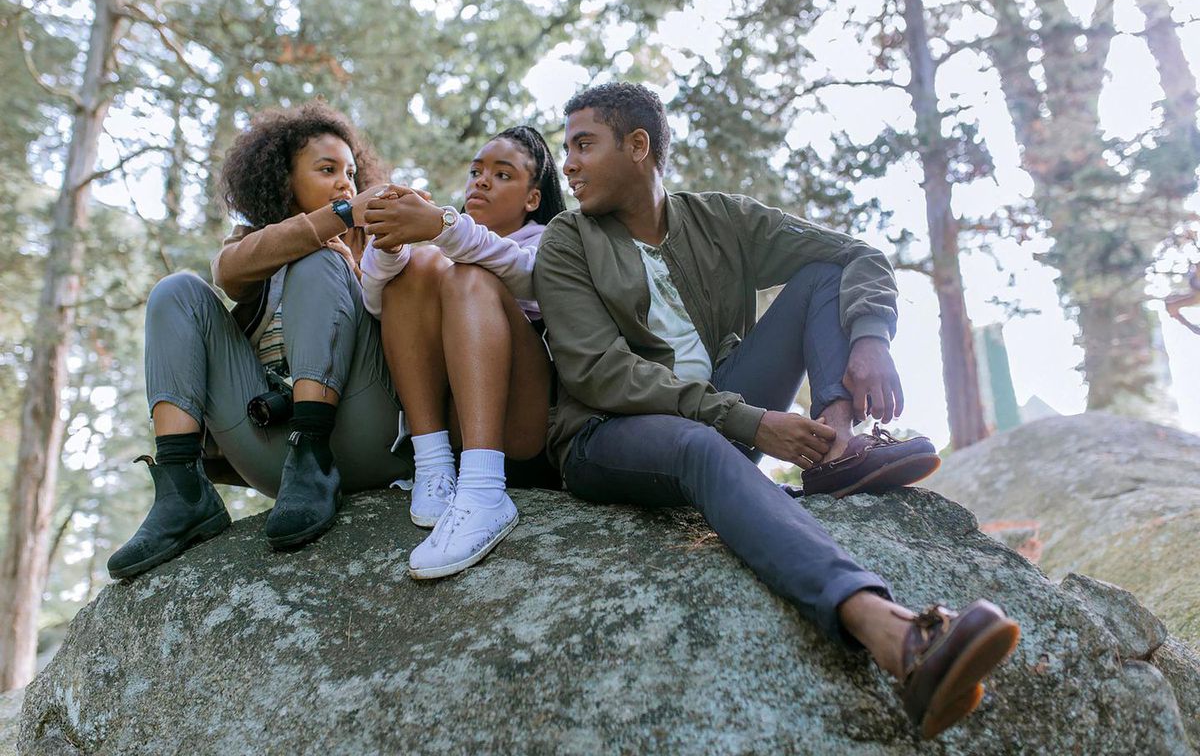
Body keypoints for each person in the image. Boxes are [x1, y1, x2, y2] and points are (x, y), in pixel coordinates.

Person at [532, 82, 1020, 739]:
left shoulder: (719, 221)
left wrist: (871, 336)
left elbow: (855, 255)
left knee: (820, 277)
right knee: (695, 445)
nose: (569, 164)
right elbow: (598, 373)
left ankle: (836, 446)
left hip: (721, 407)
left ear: (639, 146)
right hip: (605, 437)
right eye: (567, 150)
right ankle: (888, 631)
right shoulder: (568, 239)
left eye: (583, 145)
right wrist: (752, 422)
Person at [107, 102, 412, 579]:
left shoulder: (374, 240)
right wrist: (334, 217)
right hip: (276, 461)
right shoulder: (251, 244)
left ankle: (315, 451)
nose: (346, 184)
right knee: (176, 291)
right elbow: (227, 274)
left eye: (351, 173)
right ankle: (182, 491)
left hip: (366, 430)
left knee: (319, 260)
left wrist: (350, 239)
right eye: (327, 170)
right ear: (283, 179)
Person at [358, 126, 564, 579]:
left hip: (521, 427)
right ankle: (431, 467)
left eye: (502, 174)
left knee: (469, 275)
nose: (481, 181)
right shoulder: (438, 247)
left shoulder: (551, 238)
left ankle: (485, 490)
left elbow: (533, 279)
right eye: (476, 171)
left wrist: (444, 226)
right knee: (422, 264)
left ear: (532, 198)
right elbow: (375, 303)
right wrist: (390, 248)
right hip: (451, 428)